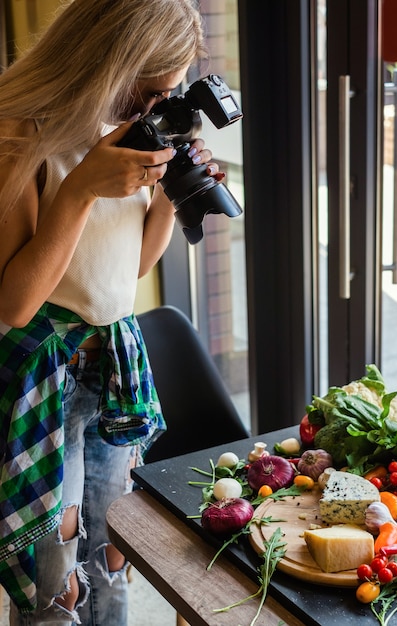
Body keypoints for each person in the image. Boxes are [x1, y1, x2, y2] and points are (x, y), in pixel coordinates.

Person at [0, 1, 219, 624]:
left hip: (116, 365)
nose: (155, 109)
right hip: (47, 377)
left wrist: (174, 195)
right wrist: (82, 186)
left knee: (115, 551)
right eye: (149, 93)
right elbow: (15, 303)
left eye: (168, 95)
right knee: (57, 578)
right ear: (107, 62)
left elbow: (131, 270)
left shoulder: (136, 130)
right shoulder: (20, 129)